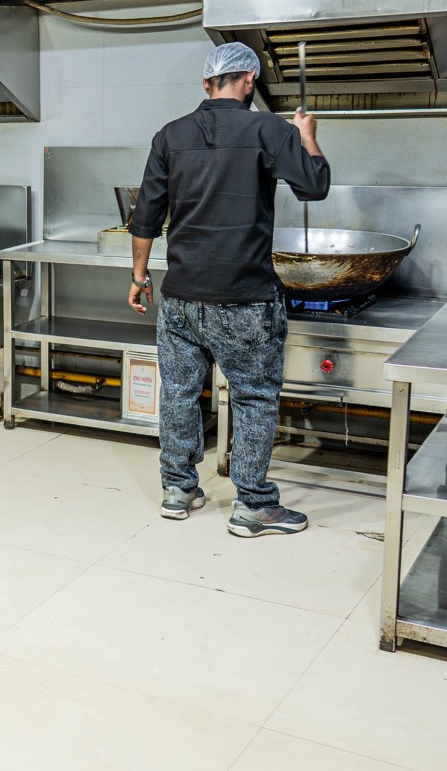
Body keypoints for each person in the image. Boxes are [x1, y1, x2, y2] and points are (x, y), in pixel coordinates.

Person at [126, 42, 330, 537]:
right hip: (245, 298)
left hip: (180, 296)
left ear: (206, 84)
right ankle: (254, 505)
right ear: (249, 81)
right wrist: (307, 138)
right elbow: (315, 186)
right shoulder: (269, 129)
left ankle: (177, 490)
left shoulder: (170, 136)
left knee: (177, 393)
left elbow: (146, 216)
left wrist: (138, 277)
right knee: (254, 397)